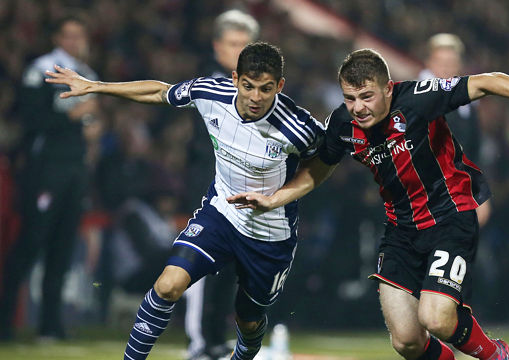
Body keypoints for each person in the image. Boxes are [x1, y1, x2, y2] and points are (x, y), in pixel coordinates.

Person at [227, 48, 509, 360]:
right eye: (350, 98)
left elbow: (487, 81)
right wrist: (275, 198)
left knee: (436, 318)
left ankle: (494, 354)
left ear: (387, 88)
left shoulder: (418, 98)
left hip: (450, 217)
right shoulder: (342, 123)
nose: (358, 107)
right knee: (407, 342)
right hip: (400, 231)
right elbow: (318, 168)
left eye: (366, 96)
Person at [45, 41, 324, 360]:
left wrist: (279, 199)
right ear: (235, 79)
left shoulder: (298, 126)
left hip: (269, 235)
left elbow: (323, 162)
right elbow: (159, 92)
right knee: (167, 286)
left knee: (248, 321)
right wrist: (97, 86)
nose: (256, 97)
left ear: (280, 85)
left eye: (266, 88)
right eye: (248, 86)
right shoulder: (211, 93)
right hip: (221, 215)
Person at [0, 15, 99, 341]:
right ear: (57, 37)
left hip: (74, 168)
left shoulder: (88, 74)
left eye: (79, 36)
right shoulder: (42, 68)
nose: (73, 42)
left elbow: (90, 122)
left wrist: (92, 128)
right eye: (68, 35)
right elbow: (31, 118)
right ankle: (3, 322)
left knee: (63, 246)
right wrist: (73, 117)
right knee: (32, 241)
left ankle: (50, 326)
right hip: (45, 168)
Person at [183, 9, 260, 360]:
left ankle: (215, 337)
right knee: (202, 261)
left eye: (245, 44)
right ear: (217, 47)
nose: (239, 50)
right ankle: (200, 340)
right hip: (207, 182)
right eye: (233, 44)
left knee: (231, 265)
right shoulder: (210, 85)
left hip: (241, 186)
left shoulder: (260, 90)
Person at [418, 33, 491, 226]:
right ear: (428, 63)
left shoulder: (467, 106)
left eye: (451, 61)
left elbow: (474, 152)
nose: (445, 67)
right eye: (440, 61)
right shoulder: (417, 99)